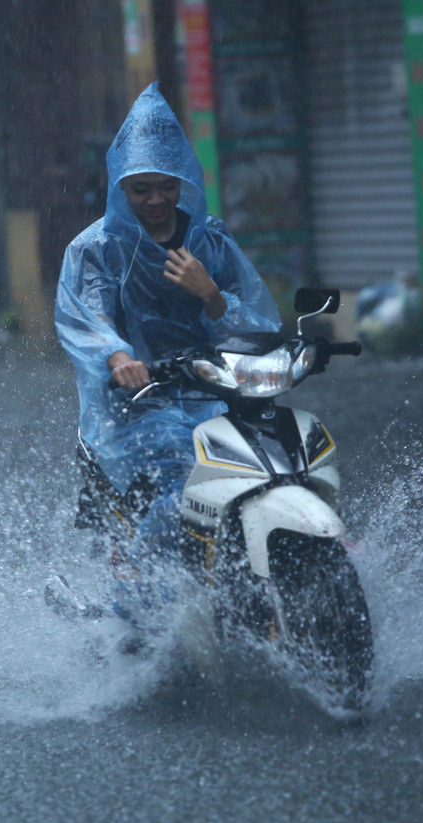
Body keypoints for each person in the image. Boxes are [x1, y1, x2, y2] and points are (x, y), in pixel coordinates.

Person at [55, 84, 280, 628]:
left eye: (165, 188)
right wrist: (117, 360)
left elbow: (259, 324)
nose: (155, 201)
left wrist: (210, 295)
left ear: (182, 184)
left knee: (268, 466)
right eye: (140, 190)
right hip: (135, 406)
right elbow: (89, 319)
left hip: (212, 392)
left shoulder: (212, 244)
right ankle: (135, 592)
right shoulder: (96, 249)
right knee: (182, 490)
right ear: (120, 190)